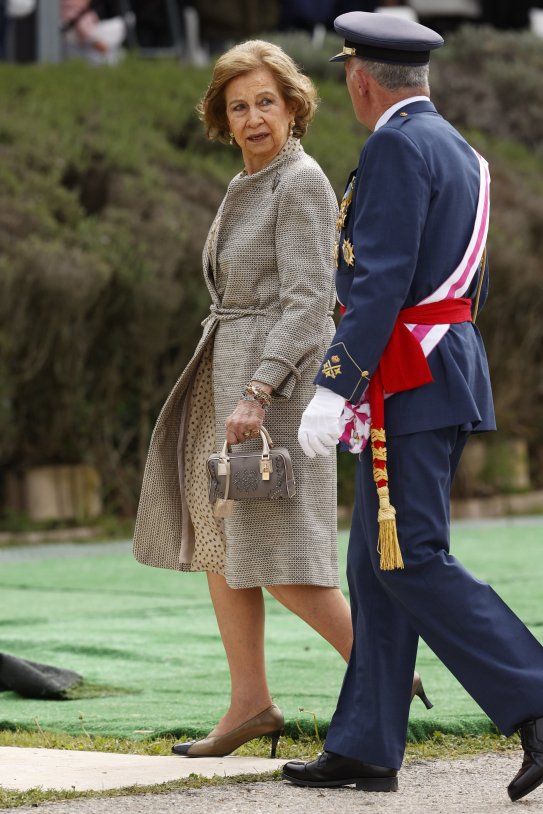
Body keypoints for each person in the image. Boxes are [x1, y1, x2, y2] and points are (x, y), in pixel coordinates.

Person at [282, 11, 543, 802]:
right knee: (374, 563)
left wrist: (336, 382)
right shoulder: (461, 150)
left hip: (406, 377)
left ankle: (534, 699)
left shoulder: (393, 146)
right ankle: (365, 744)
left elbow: (381, 280)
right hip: (444, 365)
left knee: (411, 555)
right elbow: (472, 282)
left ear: (361, 81)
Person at [132, 38, 355, 759]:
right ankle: (250, 705)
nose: (254, 117)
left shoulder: (301, 182)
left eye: (266, 101)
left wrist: (258, 390)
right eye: (238, 106)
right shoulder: (244, 183)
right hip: (226, 375)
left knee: (280, 558)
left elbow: (307, 302)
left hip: (271, 389)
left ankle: (386, 673)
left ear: (293, 106)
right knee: (223, 549)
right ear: (221, 119)